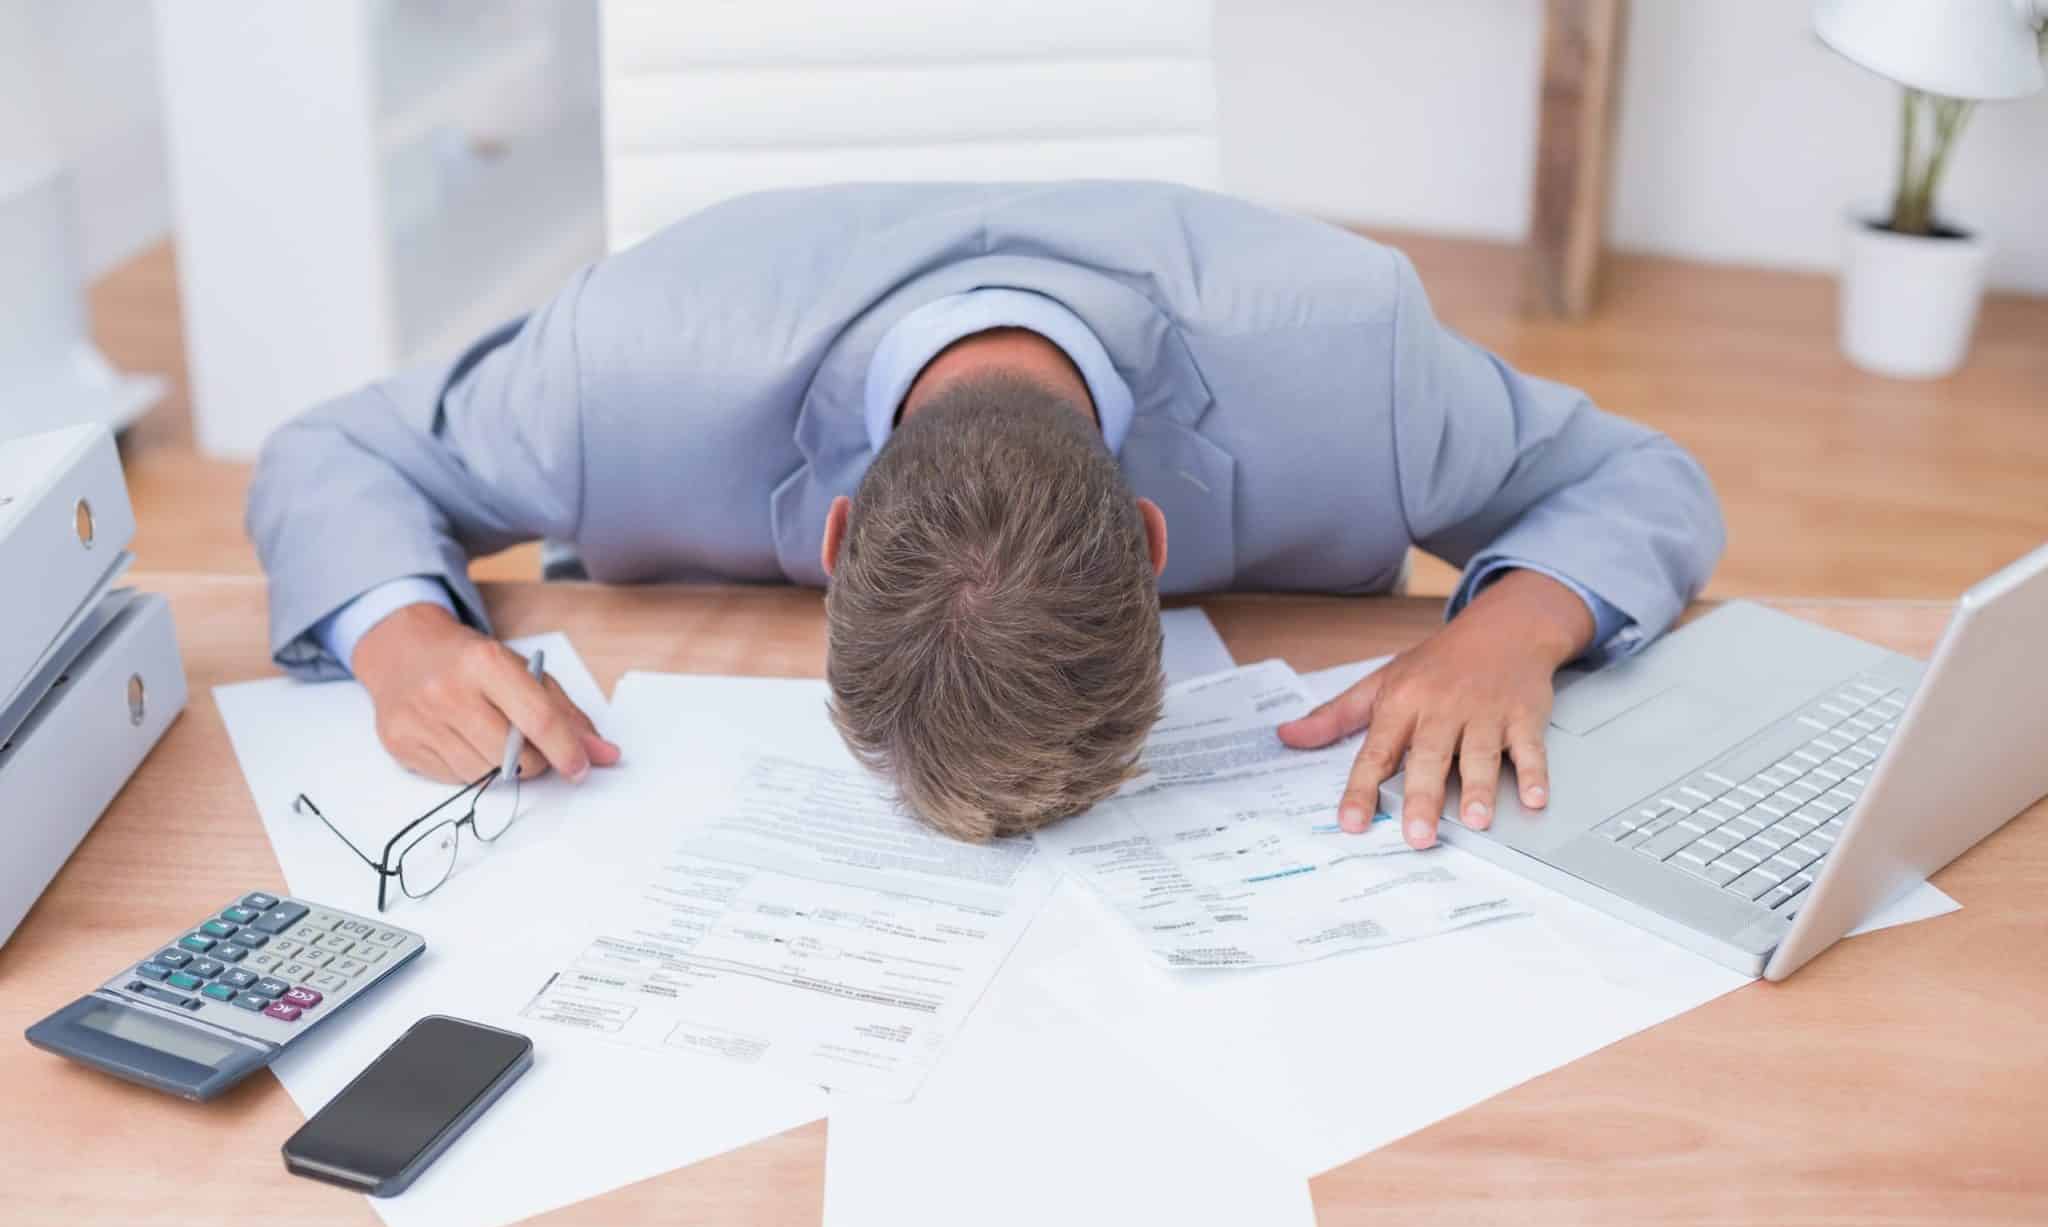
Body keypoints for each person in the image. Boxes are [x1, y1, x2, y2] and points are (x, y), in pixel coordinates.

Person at [248, 182, 1723, 847]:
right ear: (834, 551)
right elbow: (329, 452)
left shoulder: (1354, 358)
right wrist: (398, 636)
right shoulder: (625, 366)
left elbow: (1646, 476)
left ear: (1146, 546)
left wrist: (1517, 629)